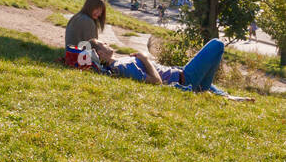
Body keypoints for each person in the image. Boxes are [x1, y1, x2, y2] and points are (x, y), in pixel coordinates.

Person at [90, 39, 226, 92]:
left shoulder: (120, 62)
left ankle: (225, 95)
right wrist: (145, 59)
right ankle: (202, 89)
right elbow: (156, 81)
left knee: (212, 54)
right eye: (104, 44)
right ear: (100, 53)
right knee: (217, 44)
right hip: (185, 80)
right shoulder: (122, 67)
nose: (107, 43)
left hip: (181, 72)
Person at [64, 0, 109, 65]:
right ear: (90, 7)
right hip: (80, 60)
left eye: (101, 11)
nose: (99, 13)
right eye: (97, 9)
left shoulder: (77, 16)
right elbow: (93, 48)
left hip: (71, 56)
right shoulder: (87, 21)